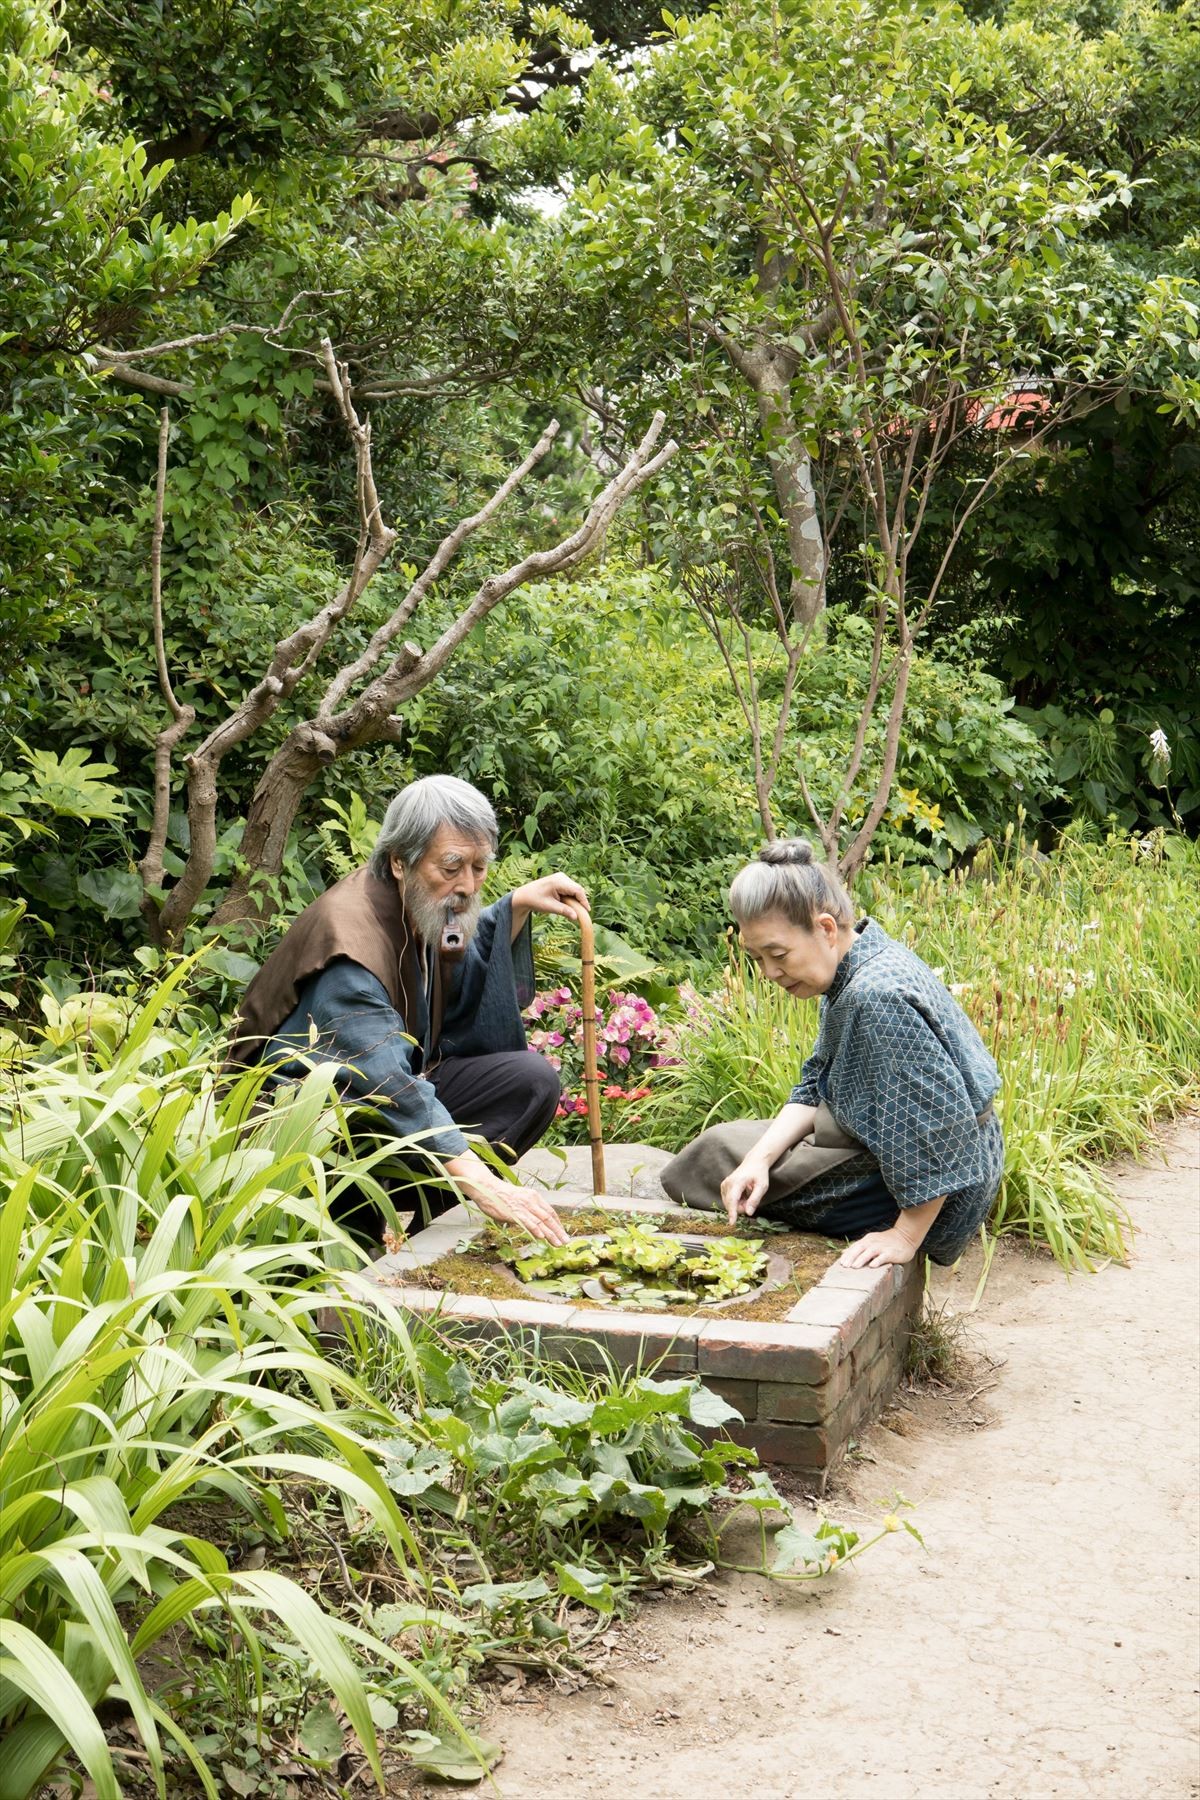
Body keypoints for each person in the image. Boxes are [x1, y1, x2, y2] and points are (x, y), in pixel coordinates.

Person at [227, 775, 580, 1245]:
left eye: (479, 867)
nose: (468, 886)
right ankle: (356, 1234)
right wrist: (481, 1182)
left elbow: (457, 962)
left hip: (379, 1093)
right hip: (305, 1124)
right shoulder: (350, 951)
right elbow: (388, 1082)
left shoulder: (430, 906)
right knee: (366, 1195)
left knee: (529, 1081)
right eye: (452, 867)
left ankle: (427, 1231)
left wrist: (514, 905)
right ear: (400, 861)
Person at [660, 839, 1004, 1267]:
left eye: (778, 954)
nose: (770, 972)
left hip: (944, 1194)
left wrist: (905, 1235)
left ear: (824, 929)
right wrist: (760, 1159)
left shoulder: (875, 996)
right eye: (758, 957)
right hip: (906, 1157)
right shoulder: (855, 963)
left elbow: (937, 1128)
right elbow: (816, 1081)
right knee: (736, 1154)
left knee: (708, 1163)